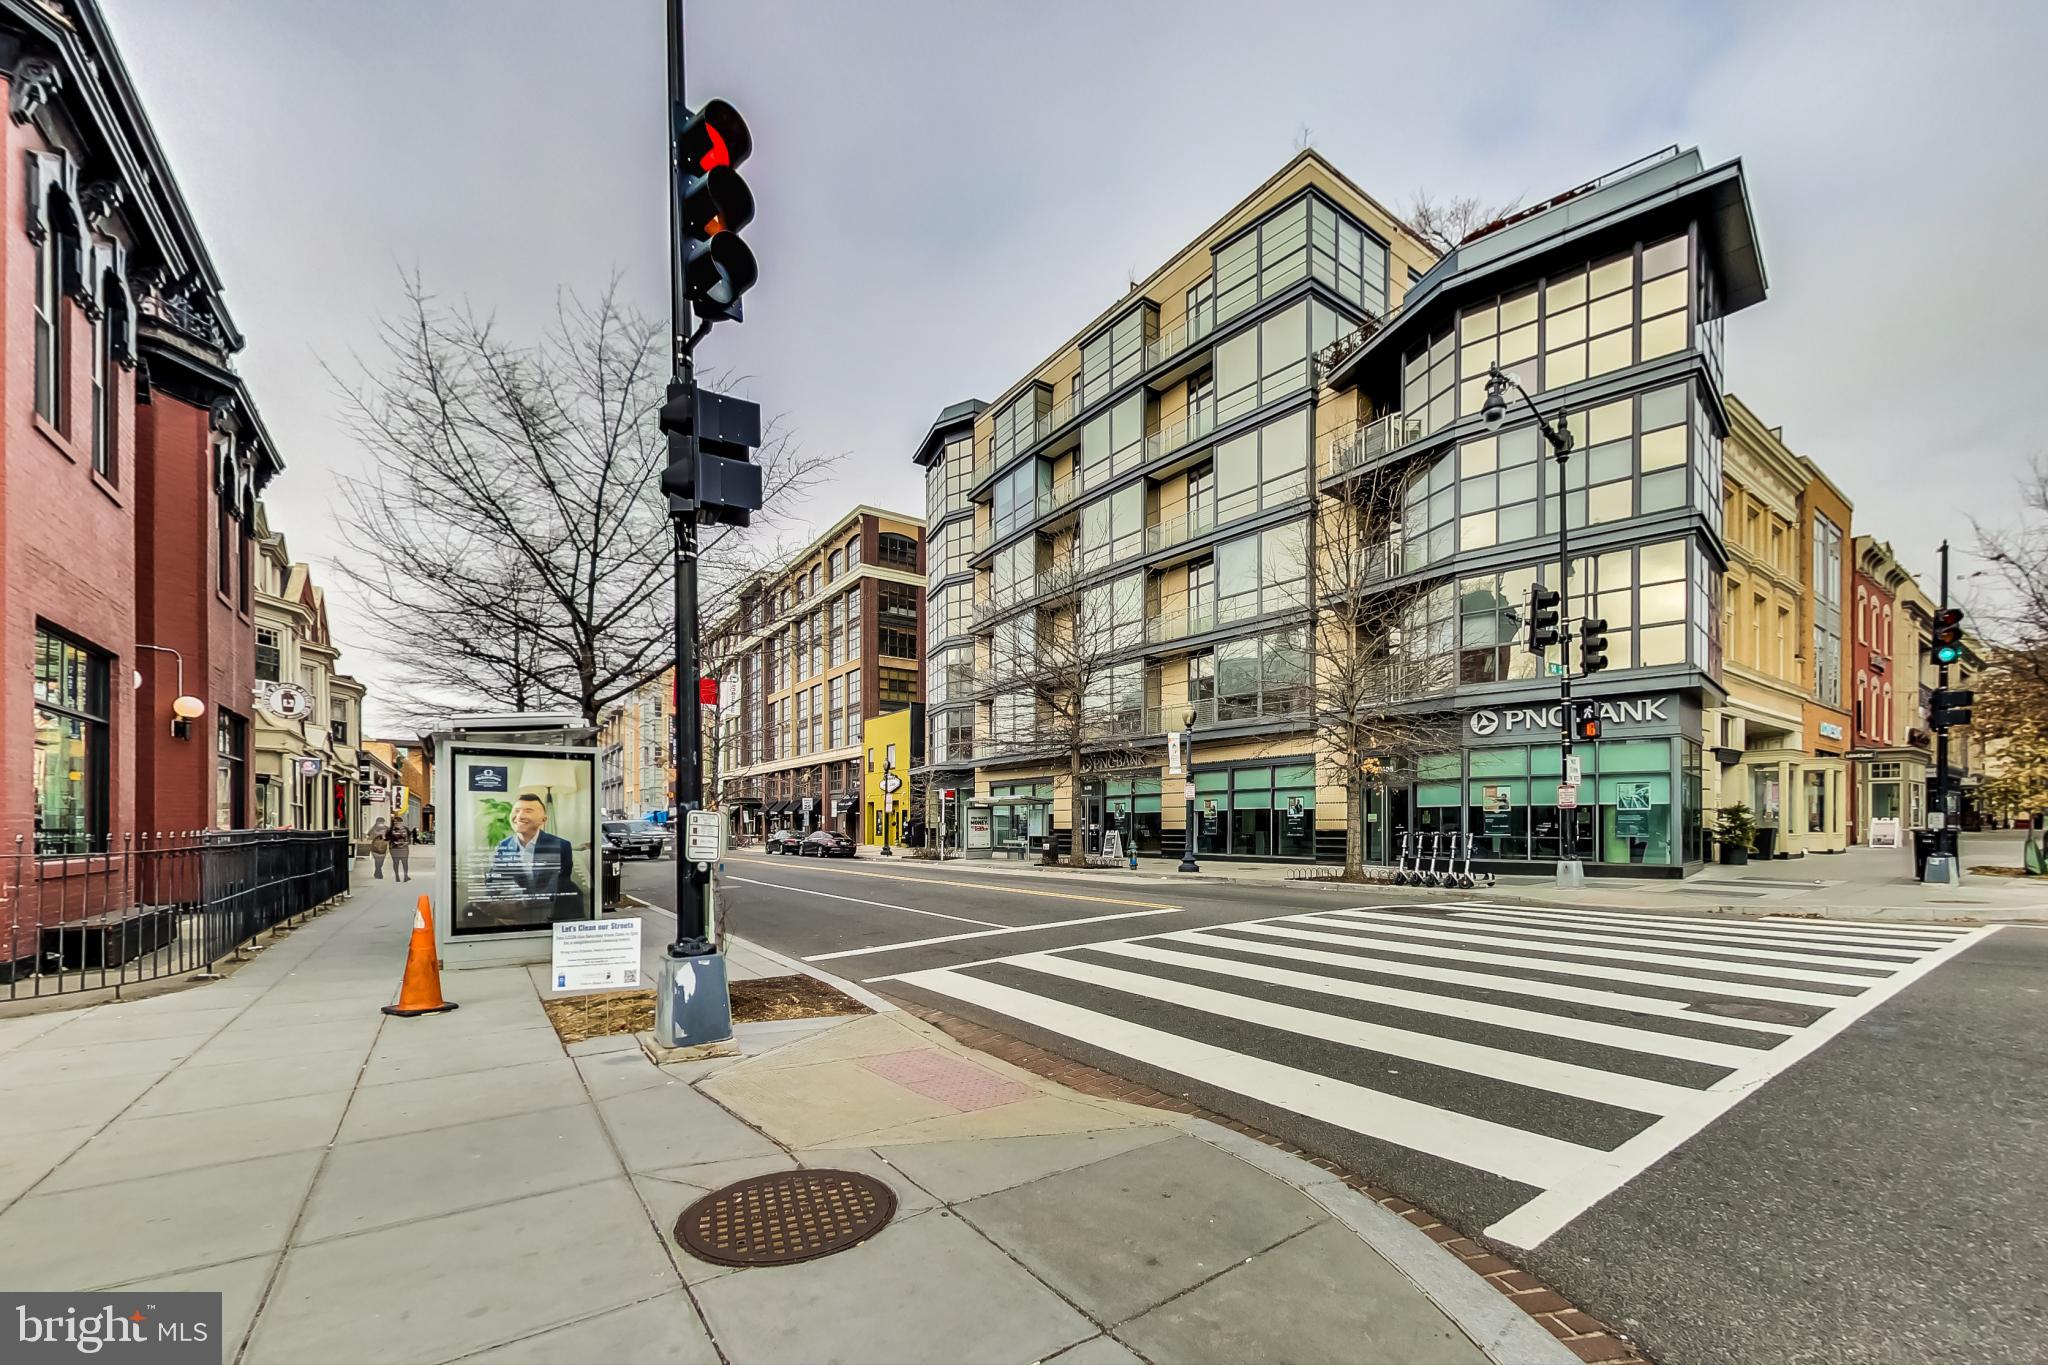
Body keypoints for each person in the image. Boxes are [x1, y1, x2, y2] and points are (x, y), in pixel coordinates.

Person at [485, 792, 578, 921]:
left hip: (547, 907)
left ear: (543, 820)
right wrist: (490, 901)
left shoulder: (560, 846)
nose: (520, 816)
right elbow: (493, 880)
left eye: (528, 811)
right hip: (513, 904)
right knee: (470, 910)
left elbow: (555, 887)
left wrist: (518, 904)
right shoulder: (504, 845)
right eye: (516, 810)